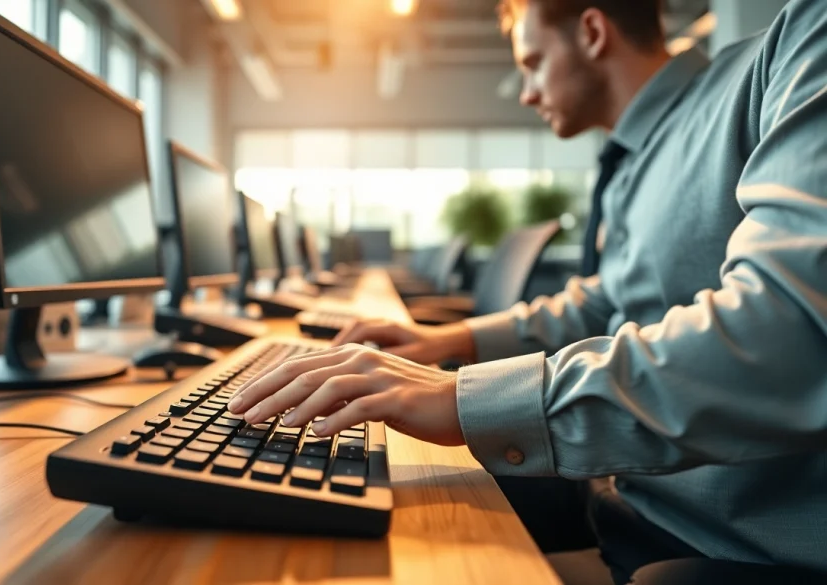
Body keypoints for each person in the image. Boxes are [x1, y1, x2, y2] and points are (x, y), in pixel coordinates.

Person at [228, 0, 827, 583]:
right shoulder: (630, 160)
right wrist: (447, 340)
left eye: (531, 62)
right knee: (324, 501)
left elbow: (787, 336)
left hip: (722, 542)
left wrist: (464, 398)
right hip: (620, 488)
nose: (525, 92)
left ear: (592, 32)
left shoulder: (799, 44)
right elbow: (602, 302)